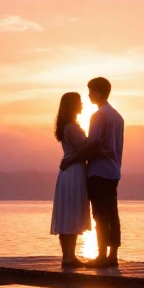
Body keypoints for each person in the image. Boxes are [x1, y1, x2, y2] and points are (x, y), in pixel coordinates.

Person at [60, 77, 124, 267]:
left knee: (100, 215)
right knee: (112, 212)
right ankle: (112, 255)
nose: (88, 96)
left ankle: (102, 256)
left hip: (98, 171)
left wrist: (72, 158)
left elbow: (91, 143)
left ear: (97, 92)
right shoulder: (118, 116)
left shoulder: (98, 116)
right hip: (113, 171)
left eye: (89, 91)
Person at [51, 92, 110, 268]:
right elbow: (85, 148)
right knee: (71, 210)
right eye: (79, 102)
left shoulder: (67, 127)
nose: (82, 104)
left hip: (68, 171)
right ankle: (69, 255)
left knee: (67, 211)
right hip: (74, 173)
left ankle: (68, 255)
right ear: (71, 105)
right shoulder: (71, 128)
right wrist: (101, 150)